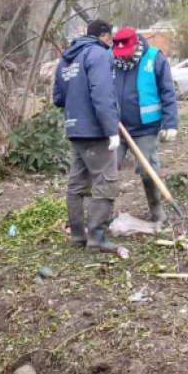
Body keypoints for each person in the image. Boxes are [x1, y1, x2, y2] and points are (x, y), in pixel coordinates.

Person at [53, 19, 126, 255]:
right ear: (104, 36)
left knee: (76, 185)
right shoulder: (98, 55)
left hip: (75, 129)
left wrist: (76, 105)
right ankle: (97, 237)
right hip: (95, 131)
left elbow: (58, 97)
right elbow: (102, 93)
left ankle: (77, 235)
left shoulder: (67, 58)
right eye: (110, 39)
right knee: (106, 182)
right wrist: (111, 130)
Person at [112, 28, 179, 223]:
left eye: (127, 54)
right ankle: (103, 215)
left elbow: (167, 92)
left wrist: (170, 123)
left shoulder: (154, 58)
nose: (123, 59)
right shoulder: (108, 58)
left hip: (145, 128)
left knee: (147, 169)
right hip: (114, 128)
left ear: (136, 46)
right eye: (119, 55)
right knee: (108, 170)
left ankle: (156, 209)